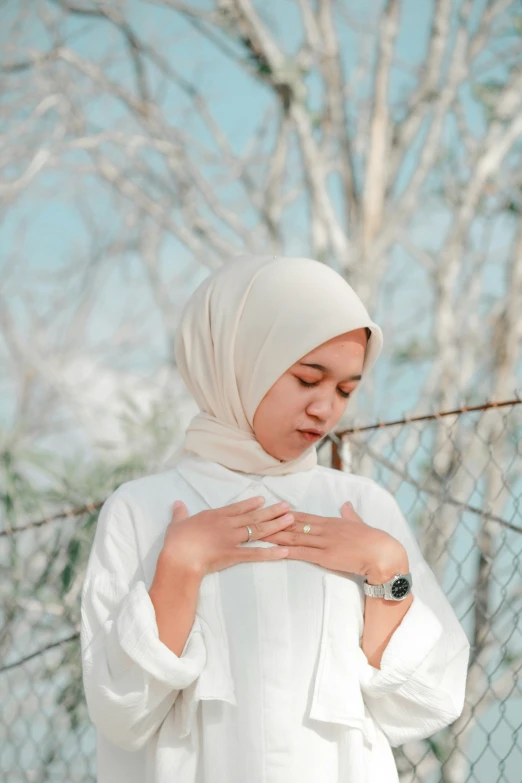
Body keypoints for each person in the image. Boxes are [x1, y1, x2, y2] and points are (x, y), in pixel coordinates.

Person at [80, 255, 470, 783]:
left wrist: (387, 568)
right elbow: (121, 714)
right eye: (308, 378)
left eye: (345, 390)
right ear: (238, 361)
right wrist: (179, 568)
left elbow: (427, 701)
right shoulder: (141, 509)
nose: (325, 409)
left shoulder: (364, 507)